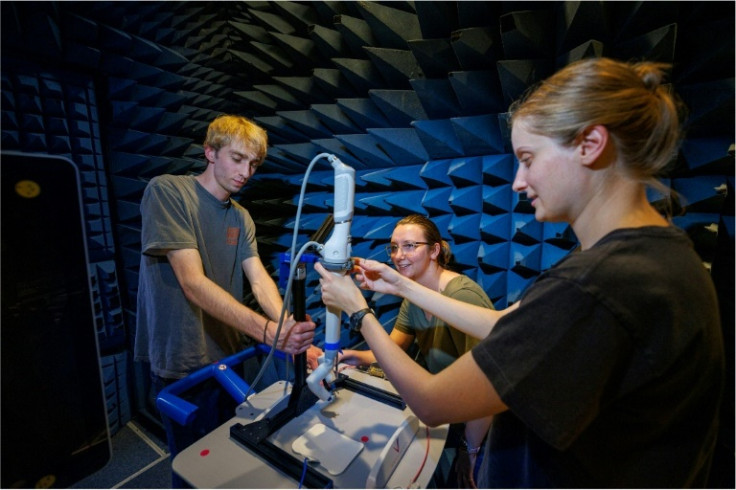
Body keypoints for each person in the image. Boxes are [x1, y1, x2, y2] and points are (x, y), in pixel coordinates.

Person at [315, 57, 724, 488]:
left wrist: (358, 311)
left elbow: (433, 403)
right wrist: (398, 283)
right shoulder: (654, 259)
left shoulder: (598, 285)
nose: (517, 181)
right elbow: (503, 325)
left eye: (528, 158)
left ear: (590, 144)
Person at [134, 114, 315, 485]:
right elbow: (192, 283)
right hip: (183, 360)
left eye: (254, 164)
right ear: (210, 152)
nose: (246, 172)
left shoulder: (242, 216)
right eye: (237, 158)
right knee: (193, 468)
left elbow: (260, 281)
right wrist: (267, 332)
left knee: (228, 460)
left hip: (229, 356)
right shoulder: (167, 191)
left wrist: (289, 331)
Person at [309, 214, 495, 487]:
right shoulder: (414, 295)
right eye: (394, 247)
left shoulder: (462, 295)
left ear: (434, 251)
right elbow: (393, 349)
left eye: (410, 246)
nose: (398, 255)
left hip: (480, 423)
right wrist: (352, 356)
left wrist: (472, 451)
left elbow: (486, 388)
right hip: (448, 410)